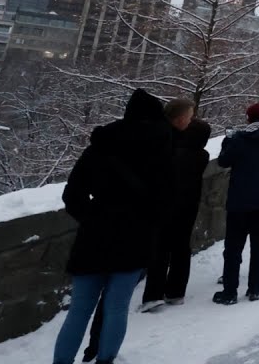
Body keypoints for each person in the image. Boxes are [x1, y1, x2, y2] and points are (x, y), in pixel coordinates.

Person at [52, 89, 172, 364]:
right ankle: (106, 359)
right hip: (135, 235)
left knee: (79, 310)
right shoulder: (161, 148)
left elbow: (72, 194)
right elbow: (167, 199)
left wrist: (93, 217)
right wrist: (147, 222)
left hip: (95, 234)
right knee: (117, 307)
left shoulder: (102, 143)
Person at [139, 99, 209, 312]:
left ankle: (153, 295)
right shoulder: (202, 156)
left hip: (165, 205)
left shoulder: (169, 148)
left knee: (160, 248)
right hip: (188, 206)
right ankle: (176, 292)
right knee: (181, 247)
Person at [214, 102, 259, 305]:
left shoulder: (239, 139)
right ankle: (254, 289)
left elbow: (223, 161)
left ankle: (229, 292)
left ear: (248, 118)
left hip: (239, 200)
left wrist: (227, 142)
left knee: (233, 247)